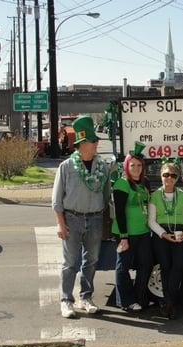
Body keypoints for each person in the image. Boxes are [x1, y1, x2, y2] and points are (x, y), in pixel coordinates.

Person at [52, 115, 110, 318]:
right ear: (83, 143)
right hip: (72, 219)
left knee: (92, 260)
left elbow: (107, 195)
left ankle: (86, 297)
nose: (97, 144)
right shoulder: (66, 167)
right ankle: (66, 300)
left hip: (95, 219)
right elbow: (57, 200)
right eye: (94, 141)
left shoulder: (102, 167)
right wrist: (61, 224)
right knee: (70, 262)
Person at [148, 159, 183, 319]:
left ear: (177, 178)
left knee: (179, 266)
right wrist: (162, 233)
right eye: (166, 175)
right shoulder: (155, 195)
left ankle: (169, 301)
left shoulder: (182, 195)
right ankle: (170, 303)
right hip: (162, 234)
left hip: (180, 232)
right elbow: (151, 220)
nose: (169, 178)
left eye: (173, 175)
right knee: (165, 267)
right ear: (161, 176)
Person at [111, 142, 153, 312]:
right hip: (126, 233)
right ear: (126, 166)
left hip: (143, 232)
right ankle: (126, 301)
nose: (136, 168)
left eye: (139, 165)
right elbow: (119, 212)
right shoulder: (122, 184)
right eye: (132, 165)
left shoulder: (145, 183)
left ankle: (140, 298)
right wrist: (124, 237)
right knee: (123, 267)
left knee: (146, 265)